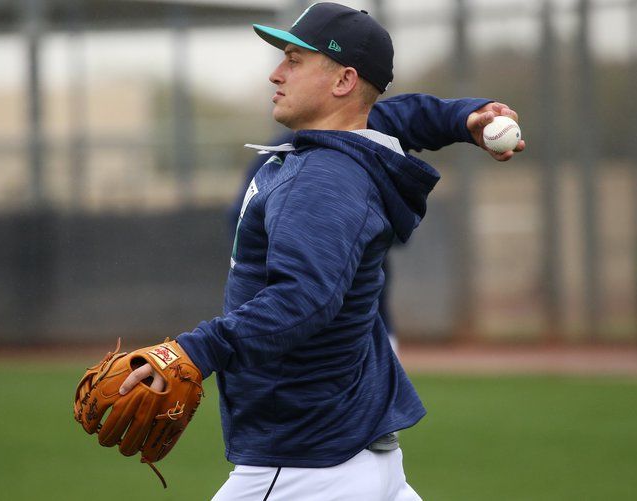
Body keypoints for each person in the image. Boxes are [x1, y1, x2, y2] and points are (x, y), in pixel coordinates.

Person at [120, 3, 524, 499]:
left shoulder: (321, 180)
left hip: (302, 469)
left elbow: (304, 300)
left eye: (294, 59)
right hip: (361, 458)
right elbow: (394, 115)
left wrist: (195, 350)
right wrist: (463, 117)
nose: (276, 72)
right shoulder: (350, 149)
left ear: (342, 81)